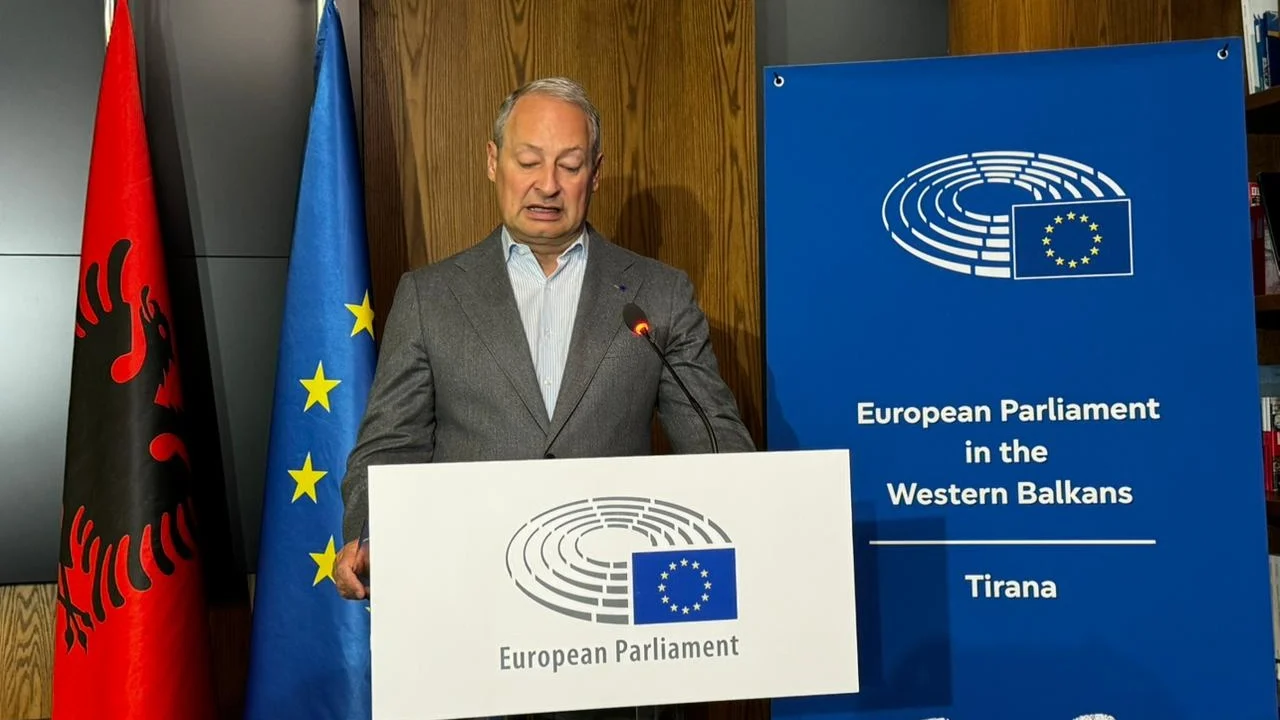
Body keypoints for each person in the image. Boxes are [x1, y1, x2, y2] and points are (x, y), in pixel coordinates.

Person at [333, 76, 755, 601]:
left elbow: (715, 442)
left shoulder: (659, 294)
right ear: (493, 162)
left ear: (595, 174)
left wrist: (752, 521)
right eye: (529, 161)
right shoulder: (429, 296)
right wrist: (371, 536)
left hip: (613, 590)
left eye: (570, 166)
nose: (547, 185)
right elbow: (391, 446)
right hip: (468, 586)